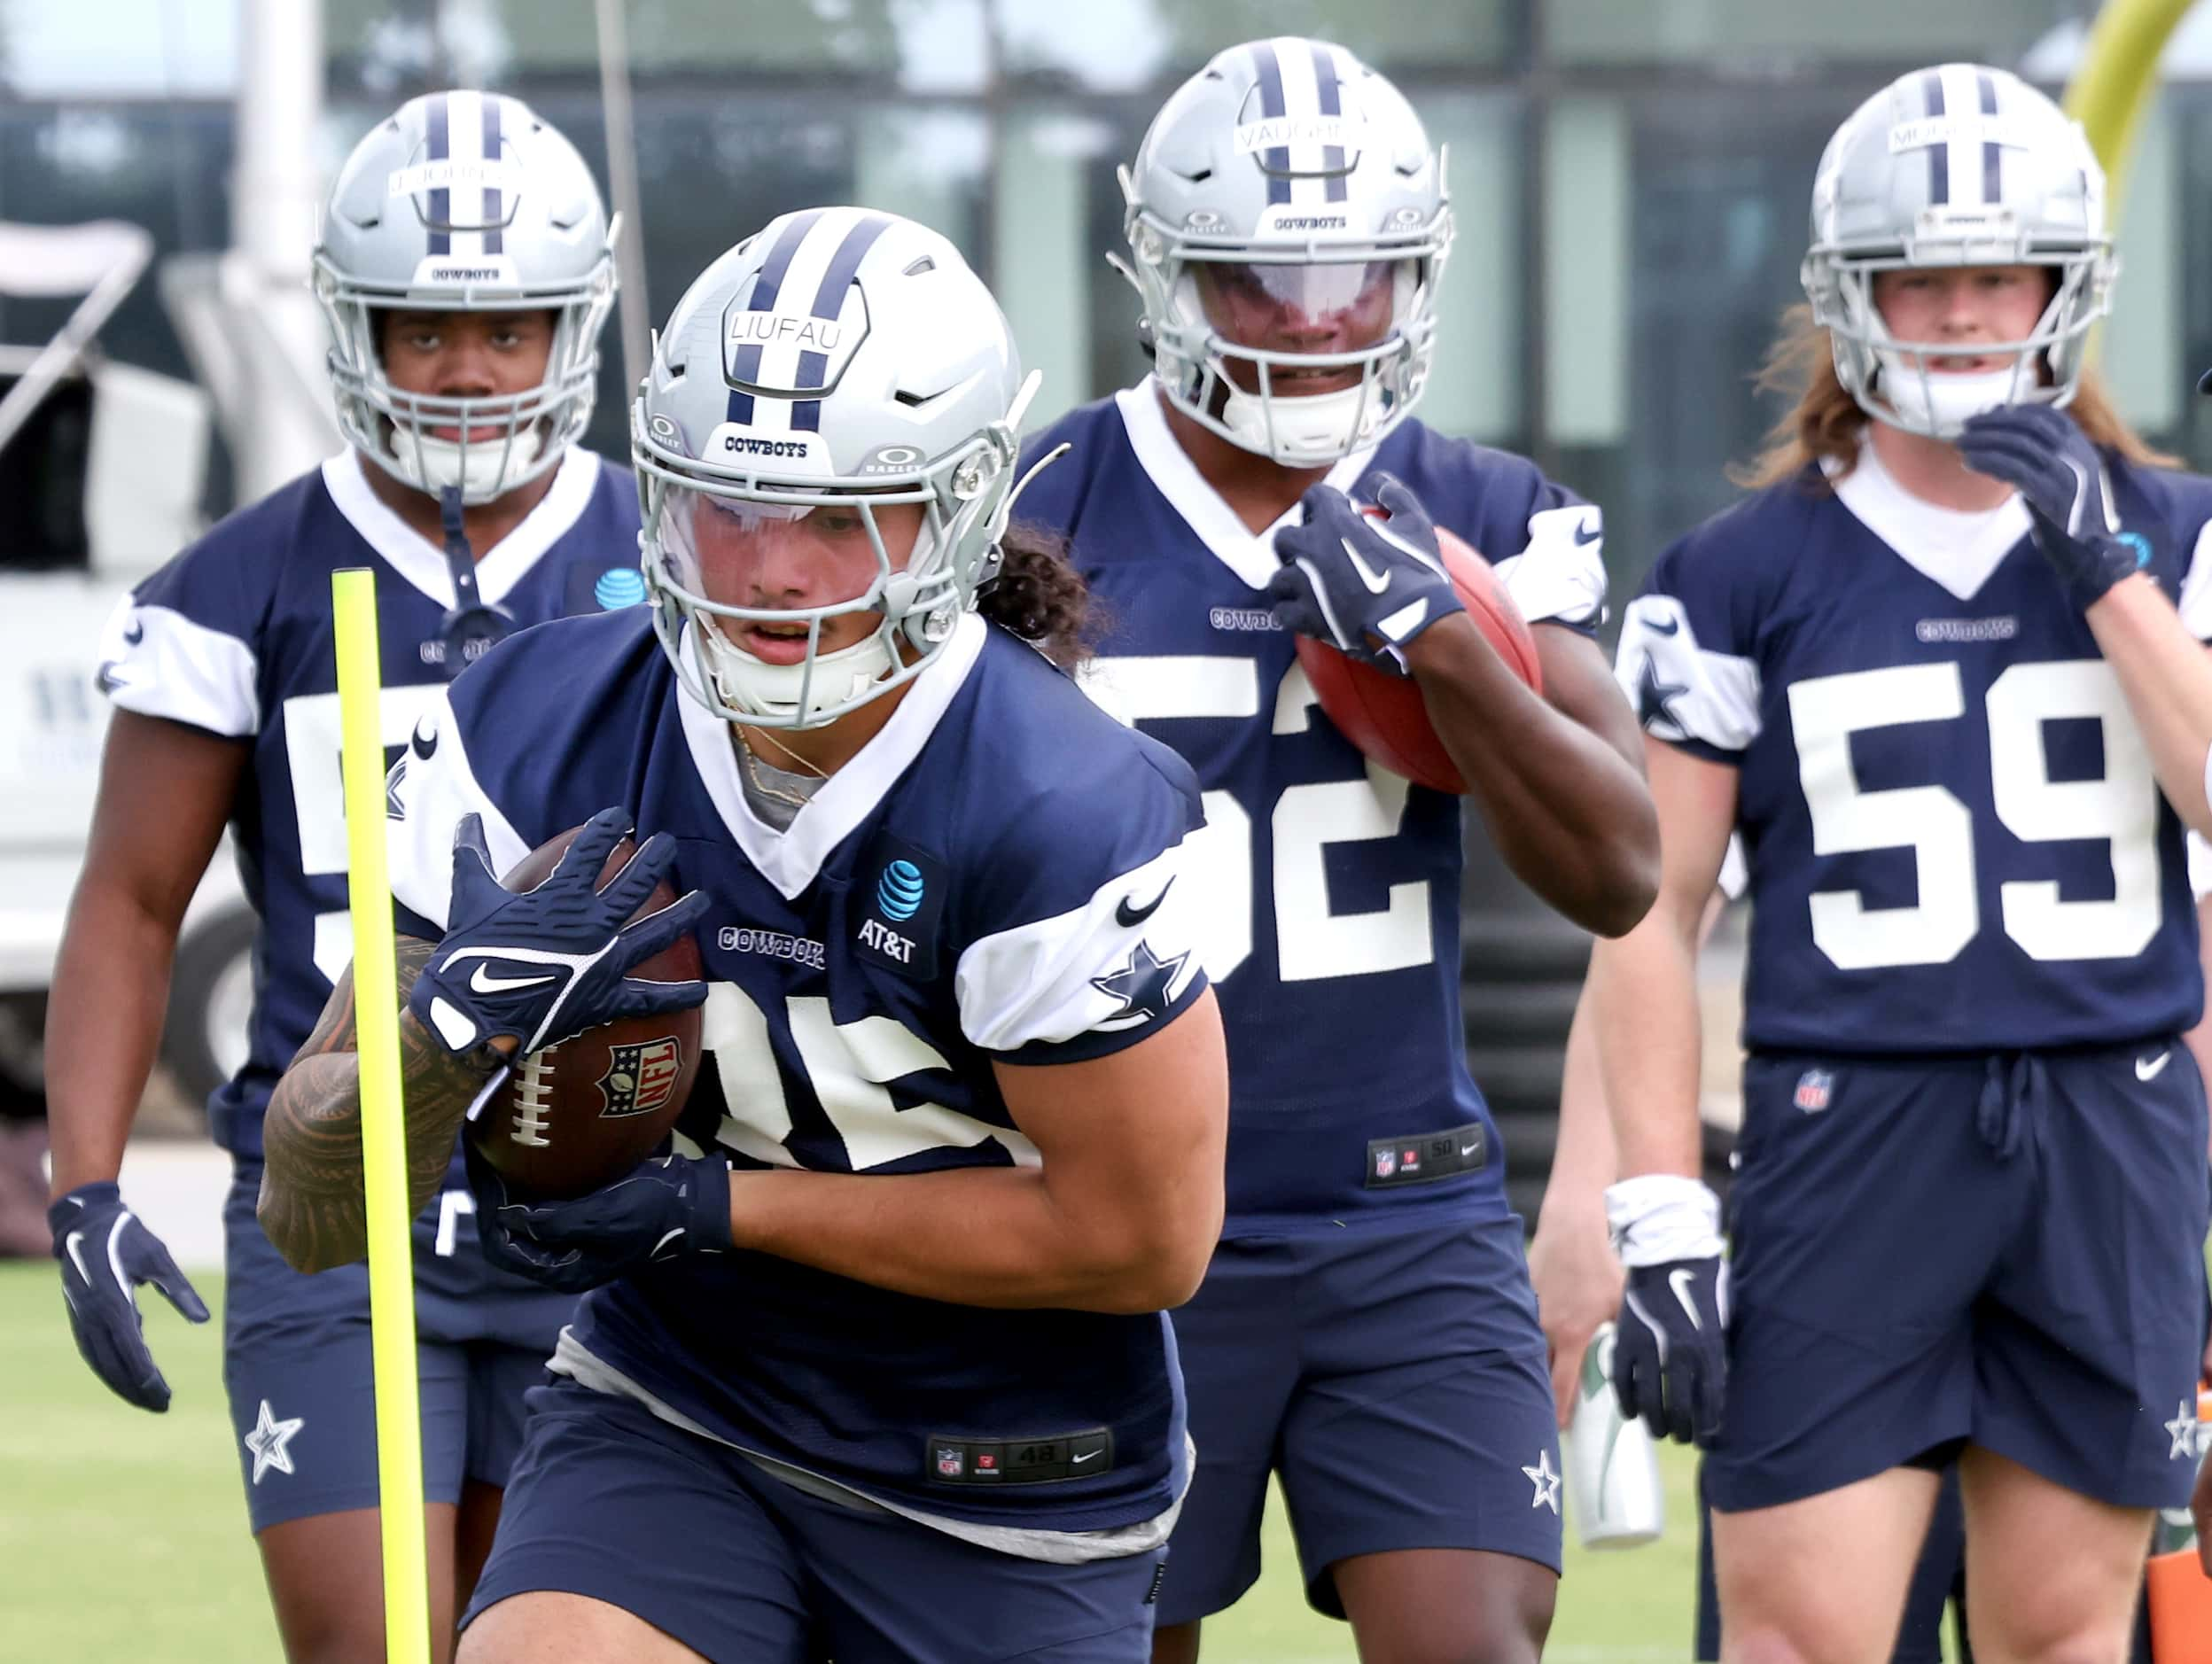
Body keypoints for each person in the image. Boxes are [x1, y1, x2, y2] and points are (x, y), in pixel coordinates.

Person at [255, 206, 1232, 1664]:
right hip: (681, 1409)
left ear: (951, 509)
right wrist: (443, 1032)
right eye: (732, 503)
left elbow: (1142, 1240)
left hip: (1005, 1474)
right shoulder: (532, 731)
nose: (773, 572)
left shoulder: (1060, 804)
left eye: (840, 518)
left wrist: (715, 1208)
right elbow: (316, 1205)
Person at [1016, 37, 1661, 1663]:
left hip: (1404, 1208)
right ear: (1167, 273)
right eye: (1264, 277)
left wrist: (1444, 641)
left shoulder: (1478, 507)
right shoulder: (1029, 513)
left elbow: (1621, 865)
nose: (1317, 317)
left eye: (1357, 273)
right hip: (1119, 1213)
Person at [1588, 63, 2212, 1663]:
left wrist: (2108, 571)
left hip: (2110, 1119)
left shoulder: (2179, 534)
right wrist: (1655, 1205)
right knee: (1796, 1642)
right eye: (1917, 278)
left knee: (2068, 1644)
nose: (1955, 316)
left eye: (1993, 274)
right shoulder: (1739, 573)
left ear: (2063, 284)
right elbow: (1651, 910)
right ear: (1847, 298)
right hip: (1845, 1121)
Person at [44, 91, 631, 1662]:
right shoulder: (243, 580)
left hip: (607, 1200)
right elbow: (130, 899)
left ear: (572, 325)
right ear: (352, 326)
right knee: (372, 1647)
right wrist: (85, 1179)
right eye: (420, 327)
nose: (464, 369)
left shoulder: (673, 561)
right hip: (338, 1205)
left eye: (506, 327)